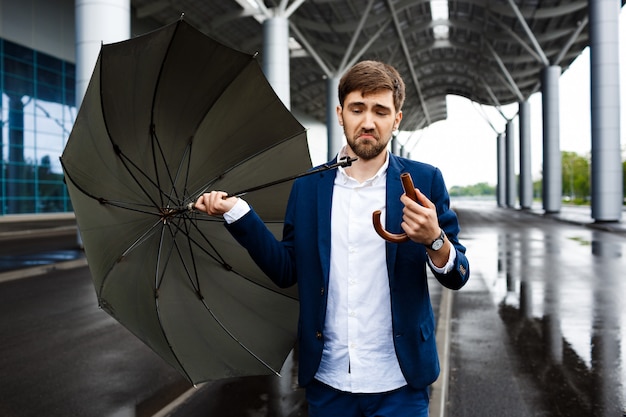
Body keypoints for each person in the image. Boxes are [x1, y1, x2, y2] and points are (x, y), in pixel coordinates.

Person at [195, 60, 470, 417]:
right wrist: (238, 213)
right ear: (340, 114)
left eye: (380, 111)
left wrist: (434, 240)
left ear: (396, 119)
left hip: (401, 382)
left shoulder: (424, 181)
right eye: (357, 109)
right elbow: (285, 270)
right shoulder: (308, 186)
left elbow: (458, 274)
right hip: (329, 382)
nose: (368, 122)